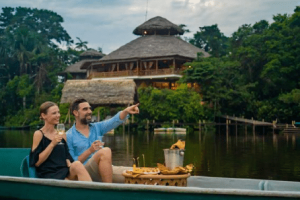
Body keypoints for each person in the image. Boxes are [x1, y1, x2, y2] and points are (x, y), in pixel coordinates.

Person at [66, 98, 139, 183]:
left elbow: (114, 121)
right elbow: (72, 164)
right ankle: (107, 190)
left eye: (90, 108)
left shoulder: (97, 127)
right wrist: (90, 151)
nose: (89, 111)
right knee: (105, 151)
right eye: (85, 109)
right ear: (76, 113)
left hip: (104, 168)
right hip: (85, 171)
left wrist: (126, 111)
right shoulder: (69, 135)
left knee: (138, 173)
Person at [30, 101, 92, 181]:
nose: (58, 115)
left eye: (58, 112)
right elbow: (36, 162)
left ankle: (93, 192)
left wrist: (69, 161)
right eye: (54, 113)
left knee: (77, 164)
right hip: (49, 173)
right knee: (69, 182)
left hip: (64, 171)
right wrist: (52, 144)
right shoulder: (39, 134)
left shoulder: (62, 134)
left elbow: (67, 156)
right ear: (43, 115)